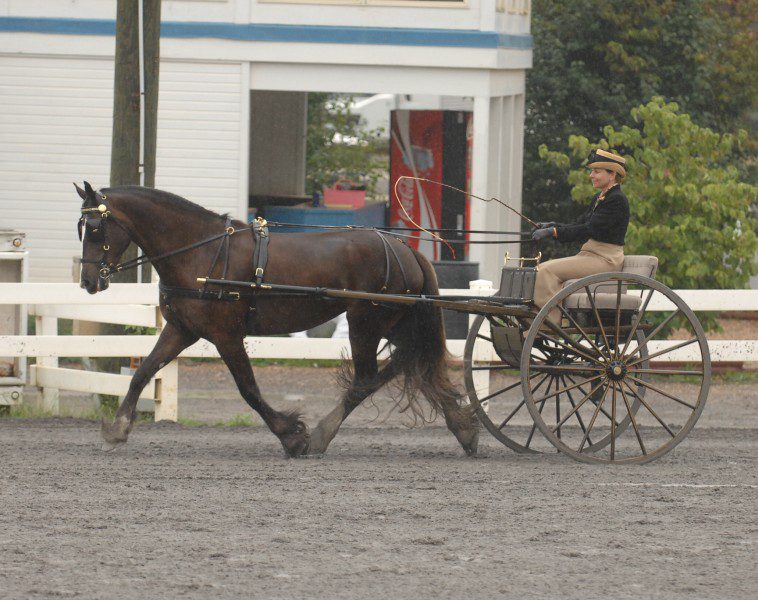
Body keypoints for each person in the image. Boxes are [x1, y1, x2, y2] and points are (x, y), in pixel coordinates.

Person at [530, 148, 630, 323]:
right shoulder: (600, 198)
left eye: (596, 171)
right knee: (542, 269)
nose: (591, 175)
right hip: (591, 255)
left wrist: (553, 232)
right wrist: (553, 226)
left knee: (545, 271)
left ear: (612, 175)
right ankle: (537, 319)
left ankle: (549, 324)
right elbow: (580, 223)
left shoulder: (617, 200)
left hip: (605, 260)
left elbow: (588, 229)